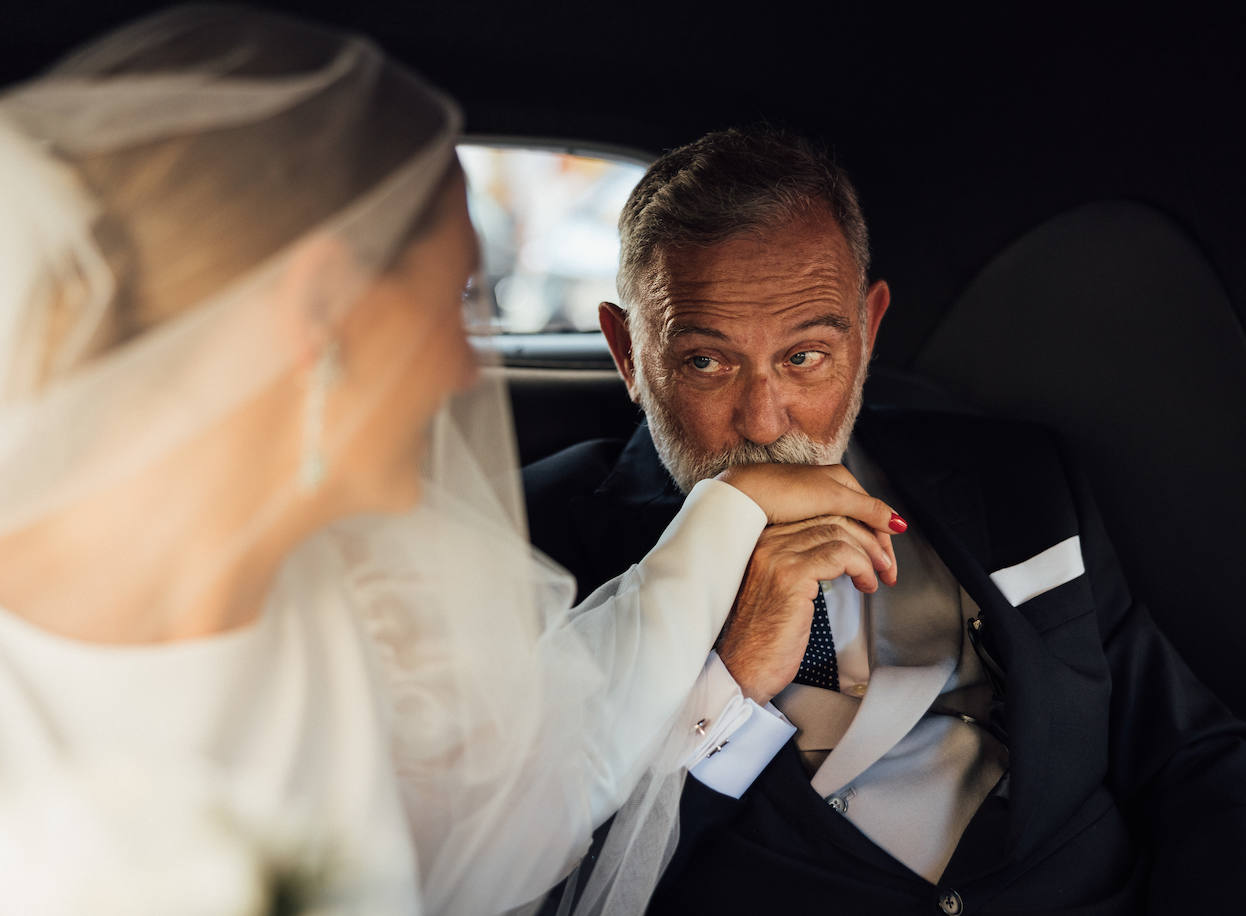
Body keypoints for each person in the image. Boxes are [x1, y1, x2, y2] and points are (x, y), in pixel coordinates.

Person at [0, 12, 903, 915]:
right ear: (321, 313)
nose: (468, 371)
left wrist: (726, 512)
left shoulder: (350, 602)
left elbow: (546, 786)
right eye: (456, 301)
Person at [524, 127, 1246, 913]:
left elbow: (1192, 759)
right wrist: (726, 682)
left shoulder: (1018, 475)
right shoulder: (539, 539)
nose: (764, 423)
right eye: (706, 362)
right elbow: (538, 880)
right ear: (630, 353)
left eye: (805, 357)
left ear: (866, 332)